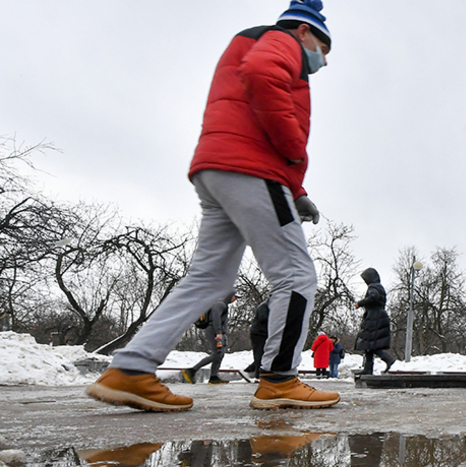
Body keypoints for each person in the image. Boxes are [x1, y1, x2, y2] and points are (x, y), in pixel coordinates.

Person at [86, 0, 339, 412]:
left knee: (208, 279)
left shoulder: (249, 41)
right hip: (254, 170)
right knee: (295, 275)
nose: (324, 61)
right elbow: (262, 78)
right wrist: (294, 155)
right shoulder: (282, 40)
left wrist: (295, 191)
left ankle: (131, 369)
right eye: (325, 49)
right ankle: (279, 380)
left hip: (216, 168)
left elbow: (246, 102)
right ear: (306, 31)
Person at [183, 293, 237, 384]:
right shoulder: (220, 304)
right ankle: (191, 371)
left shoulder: (223, 305)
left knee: (220, 354)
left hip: (217, 332)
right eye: (235, 297)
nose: (235, 299)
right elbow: (216, 318)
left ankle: (214, 377)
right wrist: (218, 332)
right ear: (230, 295)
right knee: (217, 354)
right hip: (214, 331)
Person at [355, 268, 396, 375]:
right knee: (369, 345)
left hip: (374, 318)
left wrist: (360, 303)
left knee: (368, 344)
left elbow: (373, 297)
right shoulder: (379, 287)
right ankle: (369, 368)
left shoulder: (373, 287)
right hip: (378, 316)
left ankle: (388, 359)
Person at [239, 299, 271, 383]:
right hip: (258, 333)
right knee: (259, 353)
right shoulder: (264, 306)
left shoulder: (270, 306)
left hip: (265, 333)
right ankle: (257, 376)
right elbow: (263, 318)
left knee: (265, 354)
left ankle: (248, 370)